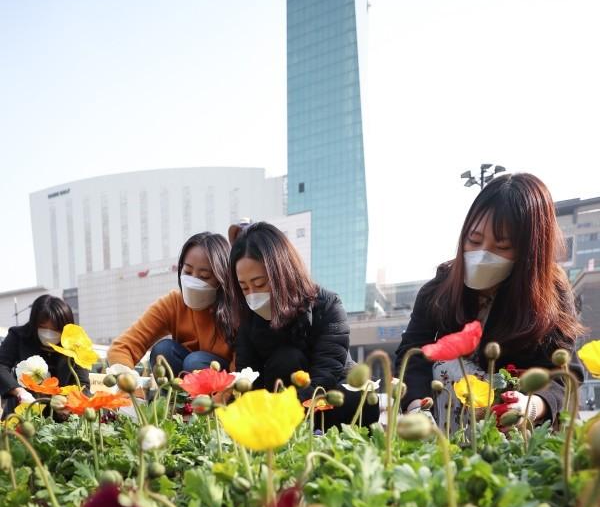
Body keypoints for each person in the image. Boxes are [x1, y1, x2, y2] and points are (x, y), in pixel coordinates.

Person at [394, 173, 584, 431]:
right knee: (443, 366)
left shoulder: (552, 294)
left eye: (502, 247)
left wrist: (532, 406)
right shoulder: (439, 289)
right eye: (474, 240)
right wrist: (418, 407)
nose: (483, 254)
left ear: (530, 250)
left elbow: (565, 376)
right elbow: (412, 354)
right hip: (444, 423)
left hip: (517, 423)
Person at [228, 222, 379, 429]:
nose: (253, 295)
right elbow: (248, 375)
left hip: (326, 393)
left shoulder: (327, 305)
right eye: (244, 288)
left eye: (260, 283)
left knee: (358, 398)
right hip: (278, 402)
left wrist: (286, 410)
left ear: (283, 273)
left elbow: (328, 371)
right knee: (284, 359)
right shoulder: (248, 319)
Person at [107, 232, 234, 375]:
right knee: (164, 351)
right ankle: (175, 390)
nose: (193, 281)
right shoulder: (174, 303)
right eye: (187, 271)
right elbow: (122, 347)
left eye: (204, 276)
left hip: (224, 380)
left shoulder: (235, 310)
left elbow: (241, 368)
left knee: (195, 362)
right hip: (183, 377)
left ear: (222, 278)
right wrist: (128, 383)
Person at [0, 295, 89, 417]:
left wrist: (69, 404)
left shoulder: (75, 345)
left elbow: (82, 384)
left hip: (61, 416)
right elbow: (1, 366)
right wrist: (19, 392)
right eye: (43, 327)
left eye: (55, 329)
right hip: (23, 412)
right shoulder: (19, 336)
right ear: (34, 323)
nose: (49, 333)